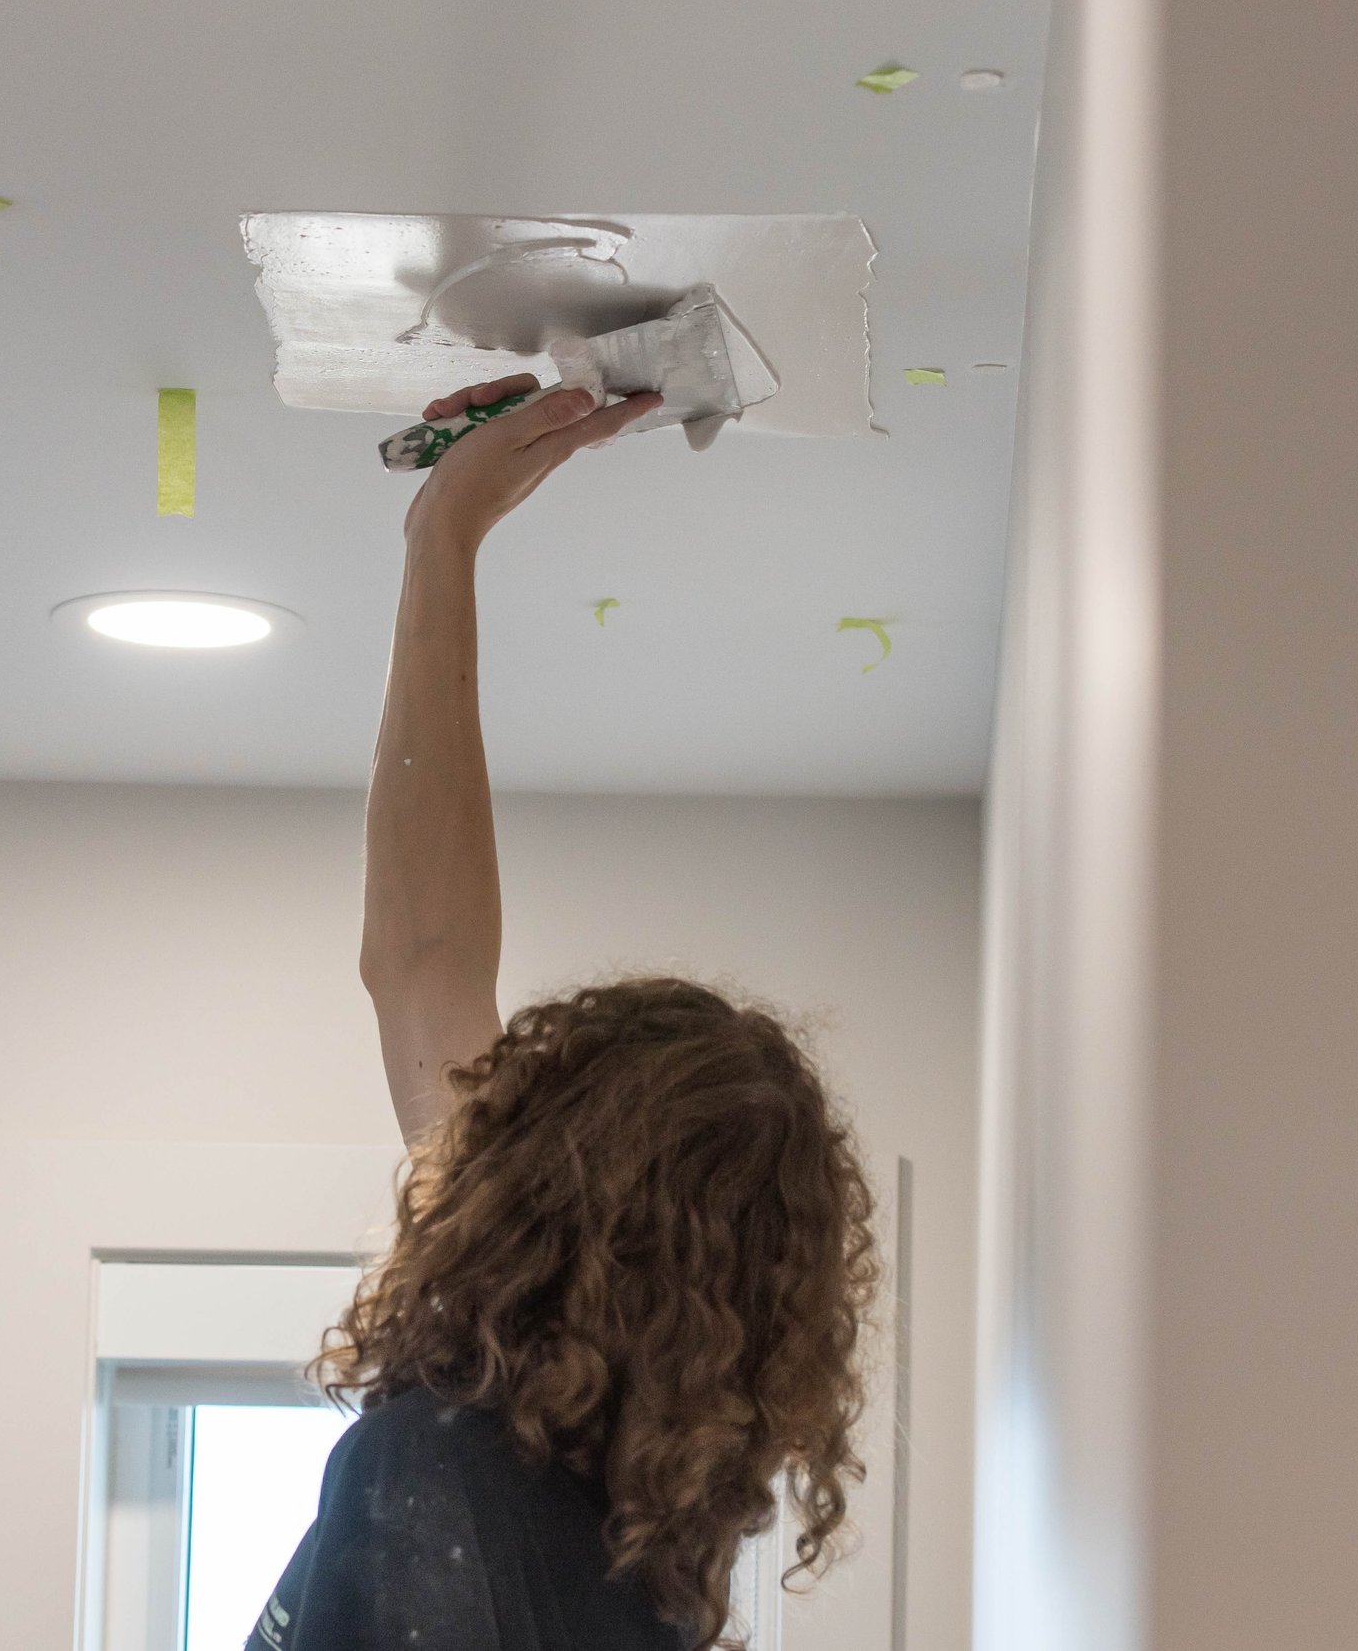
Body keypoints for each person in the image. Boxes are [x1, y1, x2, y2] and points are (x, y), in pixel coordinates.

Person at [247, 376, 882, 1651]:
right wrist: (442, 540)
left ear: (530, 1186)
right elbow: (426, 962)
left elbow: (423, 962)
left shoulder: (437, 1472)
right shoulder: (626, 1548)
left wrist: (443, 537)